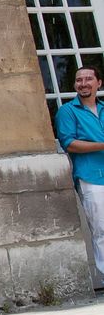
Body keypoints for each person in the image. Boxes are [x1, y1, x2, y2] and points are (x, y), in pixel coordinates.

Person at [54, 66, 104, 288]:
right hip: (91, 177)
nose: (83, 83)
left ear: (98, 83)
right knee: (101, 230)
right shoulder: (67, 111)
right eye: (78, 80)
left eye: (88, 79)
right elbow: (69, 143)